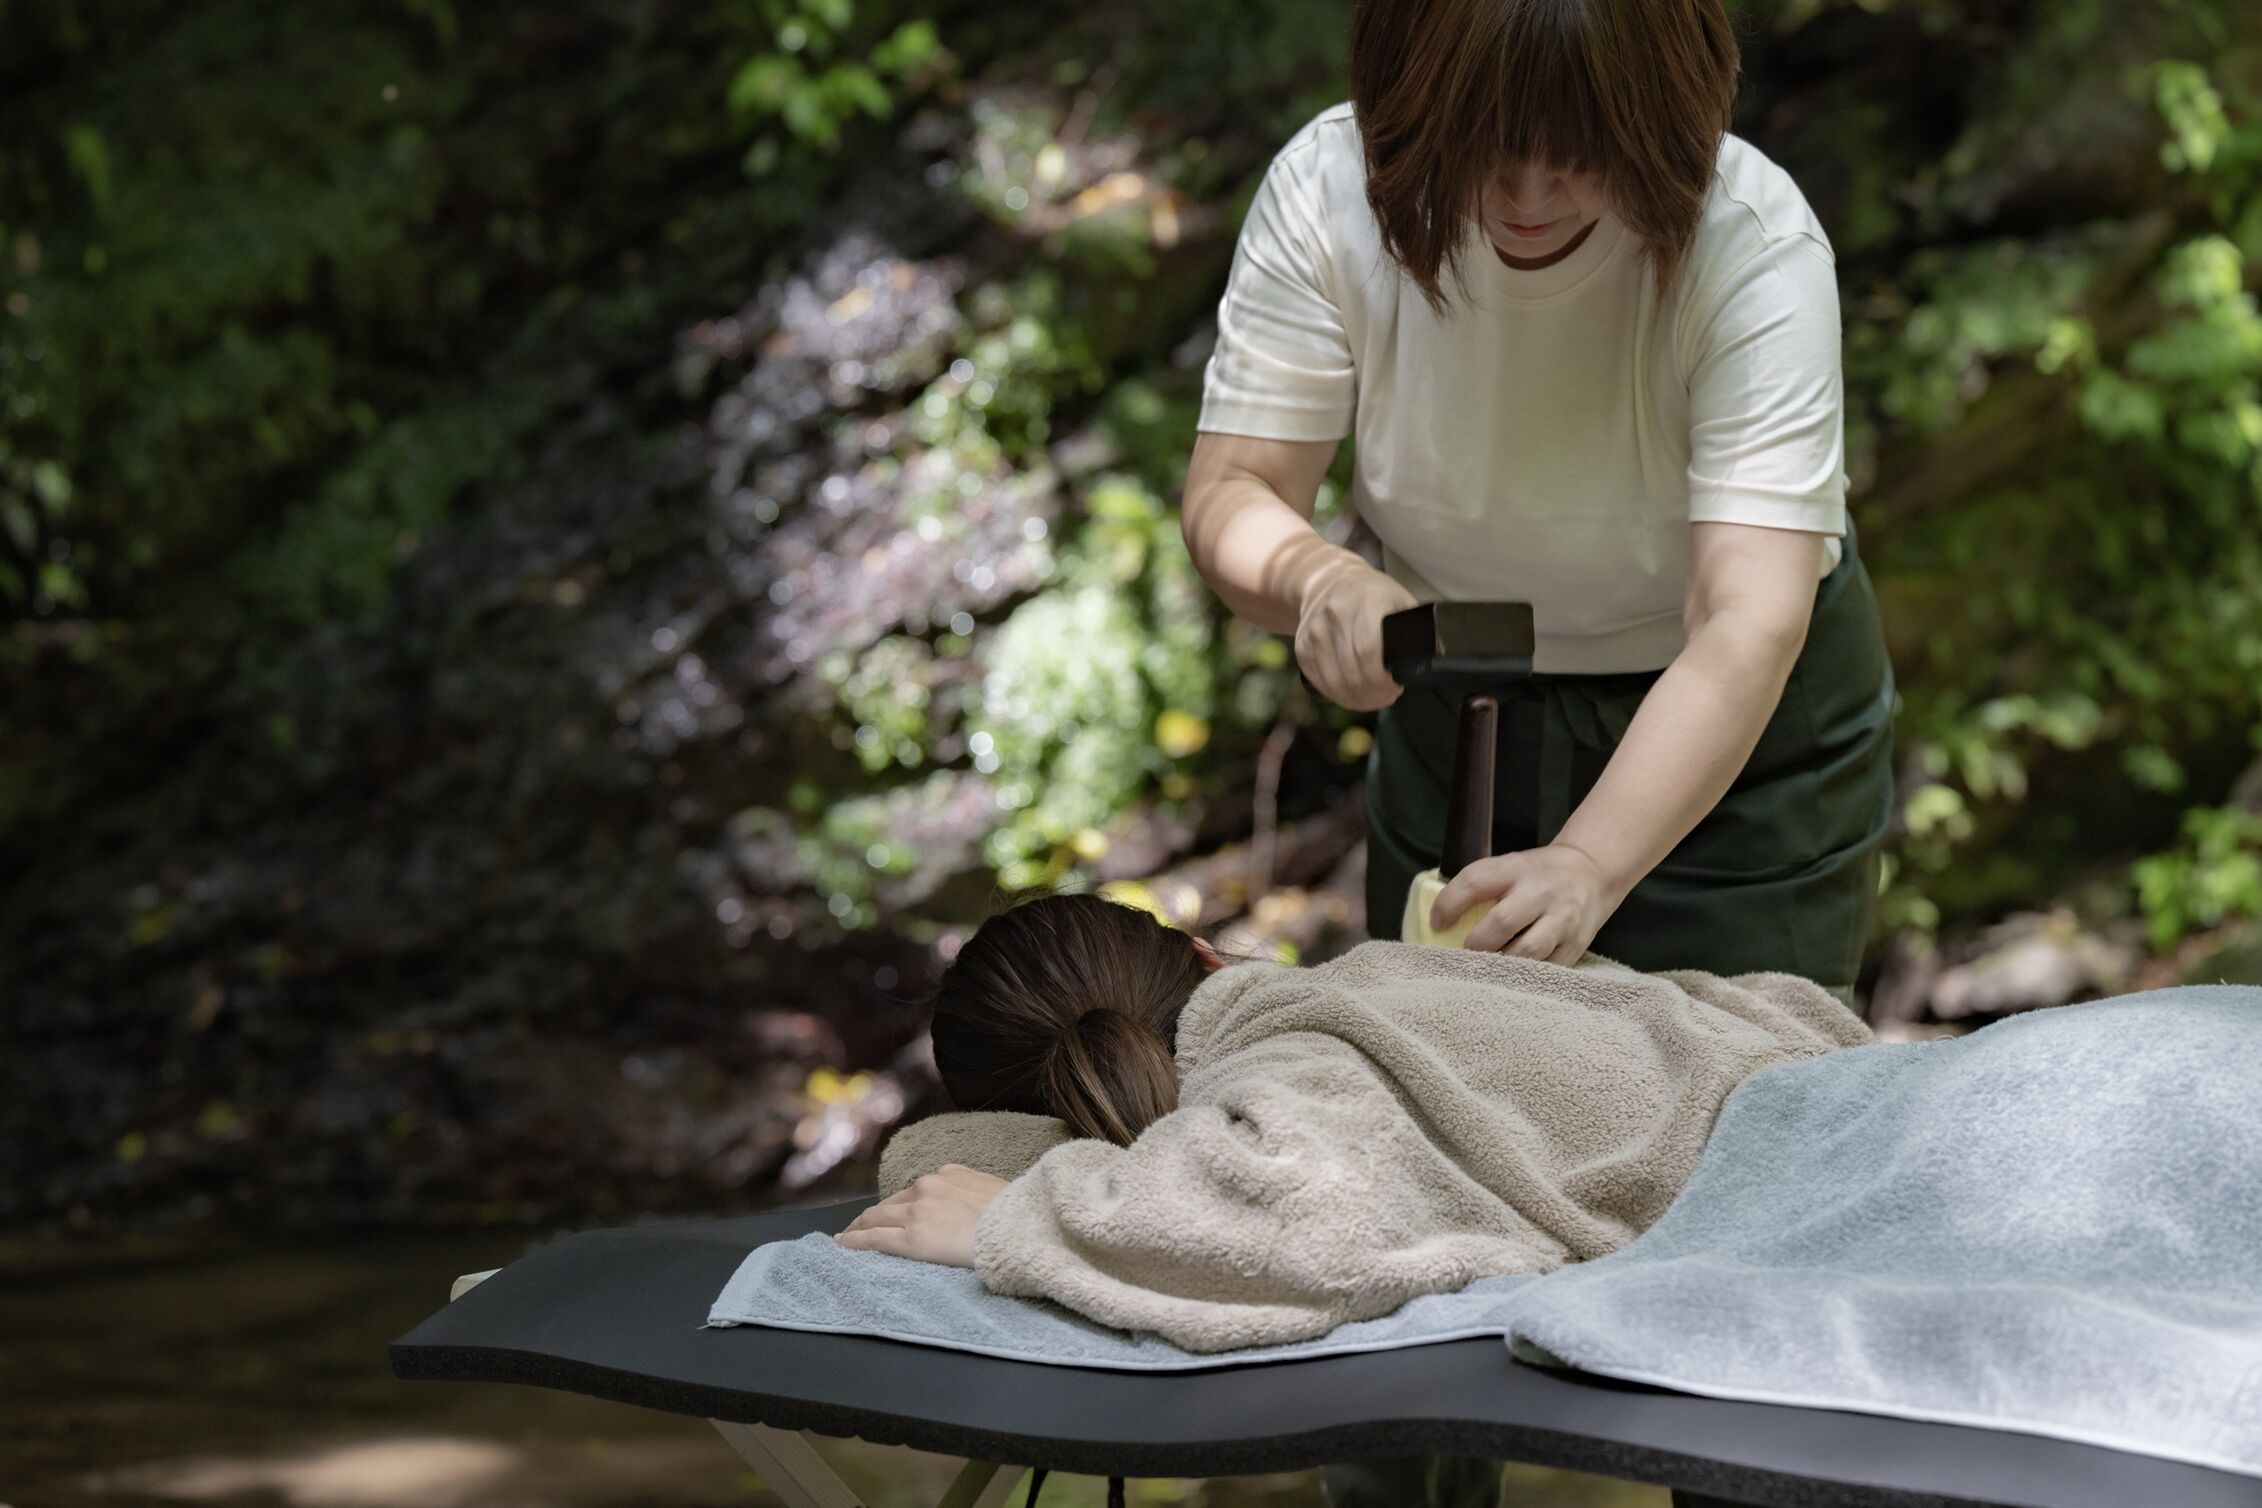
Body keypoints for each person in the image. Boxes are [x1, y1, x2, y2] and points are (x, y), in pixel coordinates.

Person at [1173, 0, 1898, 1498]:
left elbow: (1744, 619)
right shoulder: (1331, 190)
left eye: (1574, 155)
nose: (1522, 196)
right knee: (1402, 1141)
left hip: (1736, 726)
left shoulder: (1749, 235)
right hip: (1466, 684)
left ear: (1666, 122)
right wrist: (1315, 580)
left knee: (1748, 1162)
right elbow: (1237, 488)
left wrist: (1591, 861)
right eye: (1479, 151)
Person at [837, 892, 1870, 1508]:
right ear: (1206, 952)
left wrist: (1009, 1214)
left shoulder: (1292, 1061)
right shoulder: (1366, 990)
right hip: (1861, 1103)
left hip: (1863, 1161)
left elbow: (1292, 1218)